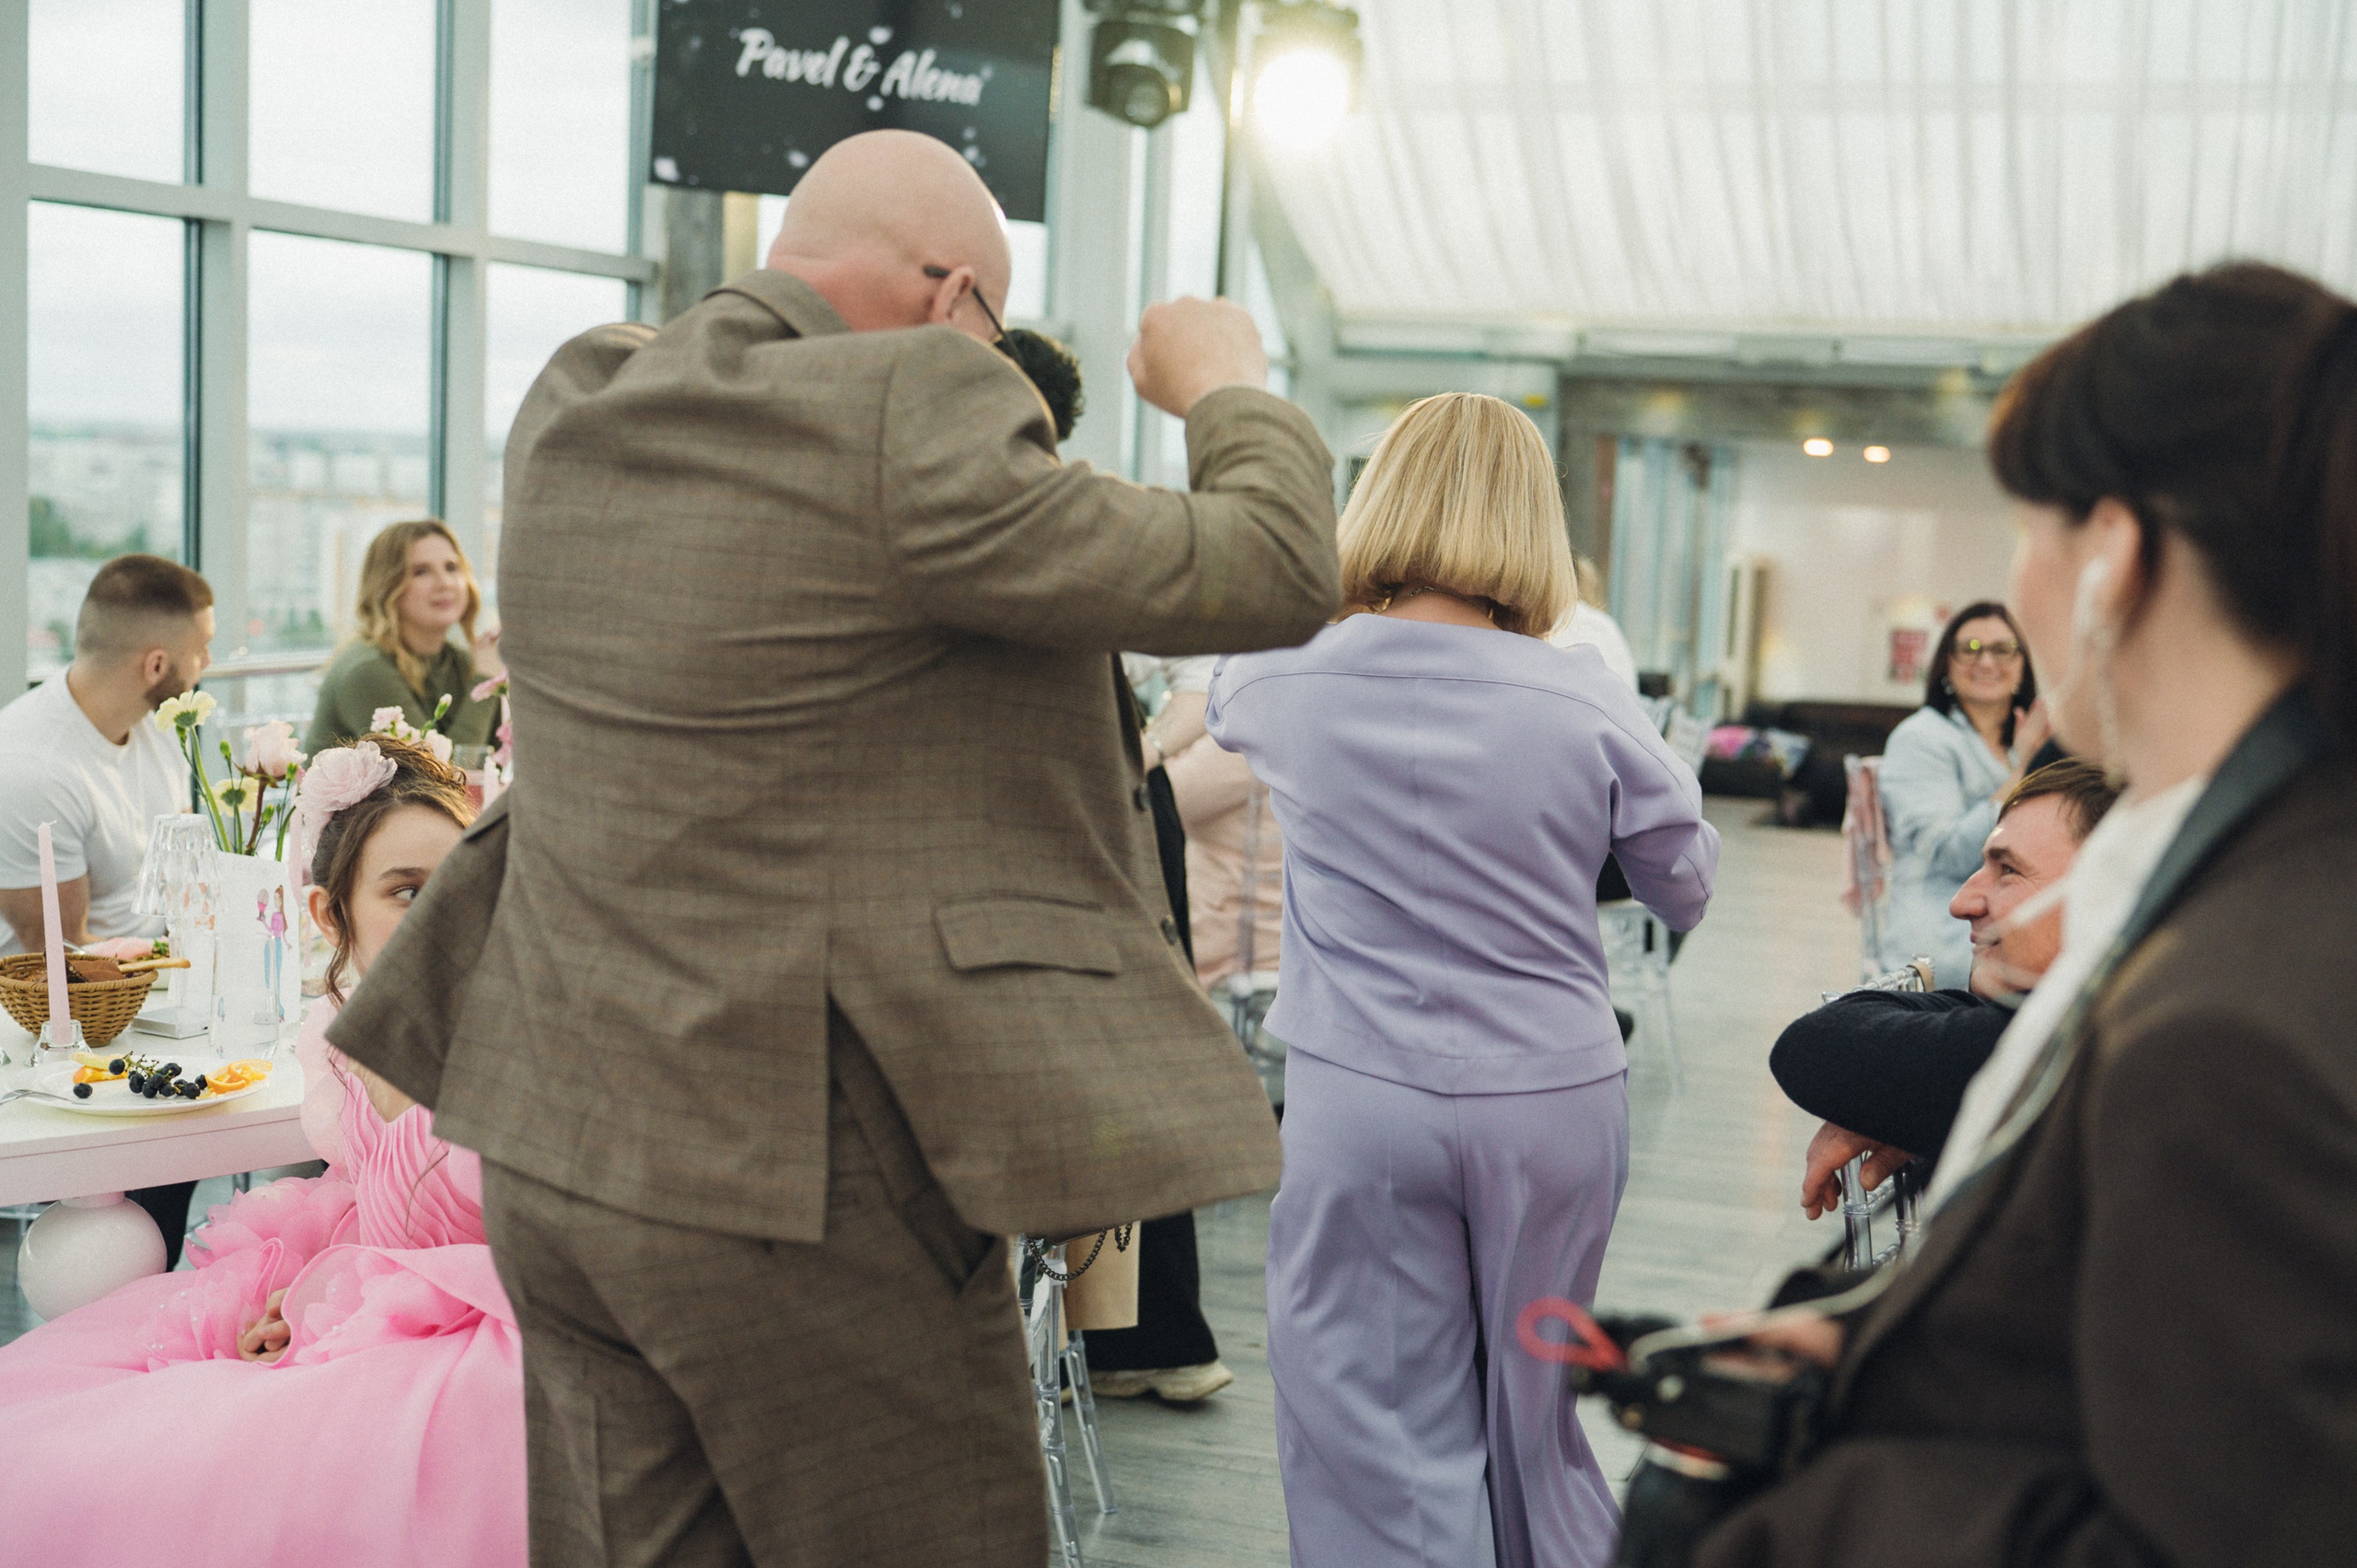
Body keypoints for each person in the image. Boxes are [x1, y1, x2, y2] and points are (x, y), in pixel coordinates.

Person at [330, 128, 1338, 1568]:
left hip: (554, 1136)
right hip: (786, 1173)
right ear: (946, 303)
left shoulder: (580, 402)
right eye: (995, 333)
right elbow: (1275, 563)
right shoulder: (907, 403)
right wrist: (1227, 378)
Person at [1692, 261, 2357, 1567]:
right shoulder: (2259, 873)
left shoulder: (2230, 1022)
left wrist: (1832, 1479)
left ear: (2113, 554)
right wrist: (1877, 1349)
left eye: (2026, 531)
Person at [1209, 392, 1720, 1568]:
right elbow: (1682, 881)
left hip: (1362, 1095)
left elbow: (1222, 703)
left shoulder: (1286, 670)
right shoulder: (1581, 689)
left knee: (1373, 1436)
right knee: (1535, 1425)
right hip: (1554, 1097)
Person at [0, 735, 525, 1567]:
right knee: (60, 1438)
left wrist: (349, 1301)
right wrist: (312, 1287)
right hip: (369, 1314)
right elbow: (376, 1205)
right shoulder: (342, 1044)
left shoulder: (518, 1032)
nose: (445, 917)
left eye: (463, 887)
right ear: (328, 914)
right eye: (406, 891)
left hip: (489, 1345)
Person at [1771, 758, 2117, 1217]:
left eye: (2008, 870)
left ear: (2114, 892)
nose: (1962, 903)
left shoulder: (2074, 1043)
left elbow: (1811, 1051)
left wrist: (1910, 1100)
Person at [0, 554, 214, 1263]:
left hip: (151, 1002)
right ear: (157, 663)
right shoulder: (33, 763)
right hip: (54, 1026)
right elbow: (59, 951)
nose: (205, 664)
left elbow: (181, 883)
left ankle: (151, 1286)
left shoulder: (154, 732)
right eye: (199, 651)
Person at [1870, 600, 2049, 981]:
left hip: (2008, 925)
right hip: (1941, 941)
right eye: (1969, 649)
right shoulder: (1920, 738)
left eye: (2002, 649)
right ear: (1945, 666)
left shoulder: (2020, 742)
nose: (1985, 662)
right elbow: (1950, 851)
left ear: (2022, 667)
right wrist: (2022, 771)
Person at [305, 519, 503, 755]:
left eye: (452, 567)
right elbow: (439, 780)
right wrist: (485, 681)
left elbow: (498, 763)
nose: (445, 583)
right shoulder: (367, 671)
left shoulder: (459, 661)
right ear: (387, 585)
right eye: (421, 572)